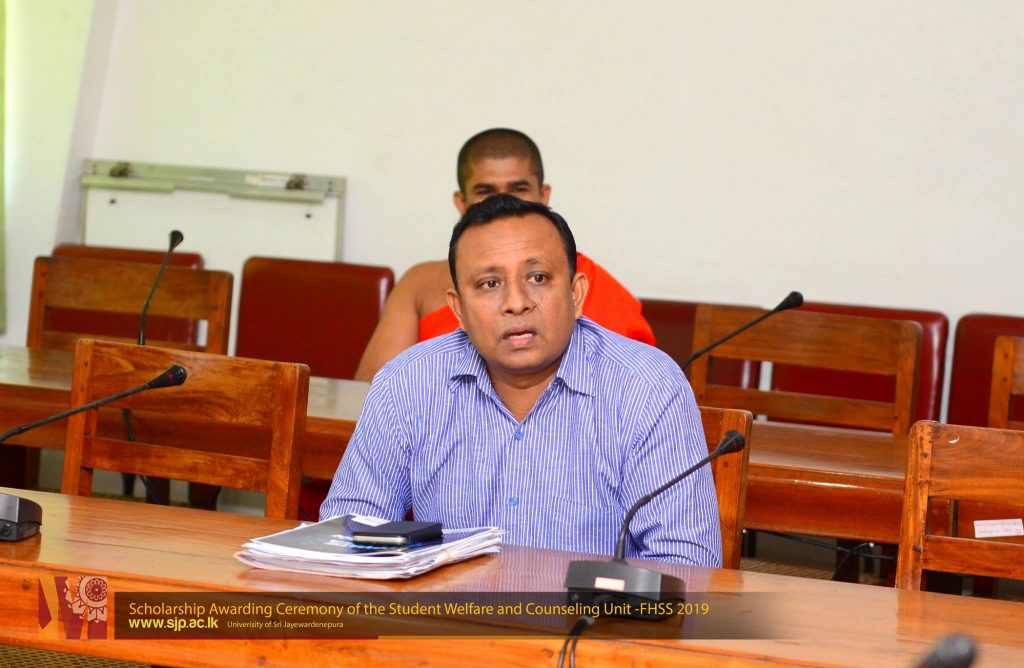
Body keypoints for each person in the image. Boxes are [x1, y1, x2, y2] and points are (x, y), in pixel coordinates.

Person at [322, 195, 721, 566]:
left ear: (576, 294)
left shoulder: (646, 388)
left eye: (538, 278)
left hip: (589, 617)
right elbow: (347, 534)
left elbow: (687, 566)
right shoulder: (408, 383)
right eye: (490, 284)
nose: (516, 302)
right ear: (458, 309)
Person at [353, 128, 654, 382]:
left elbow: (626, 384)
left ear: (544, 196)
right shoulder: (420, 282)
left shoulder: (586, 282)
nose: (502, 202)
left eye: (518, 188)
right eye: (485, 191)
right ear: (461, 202)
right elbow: (373, 389)